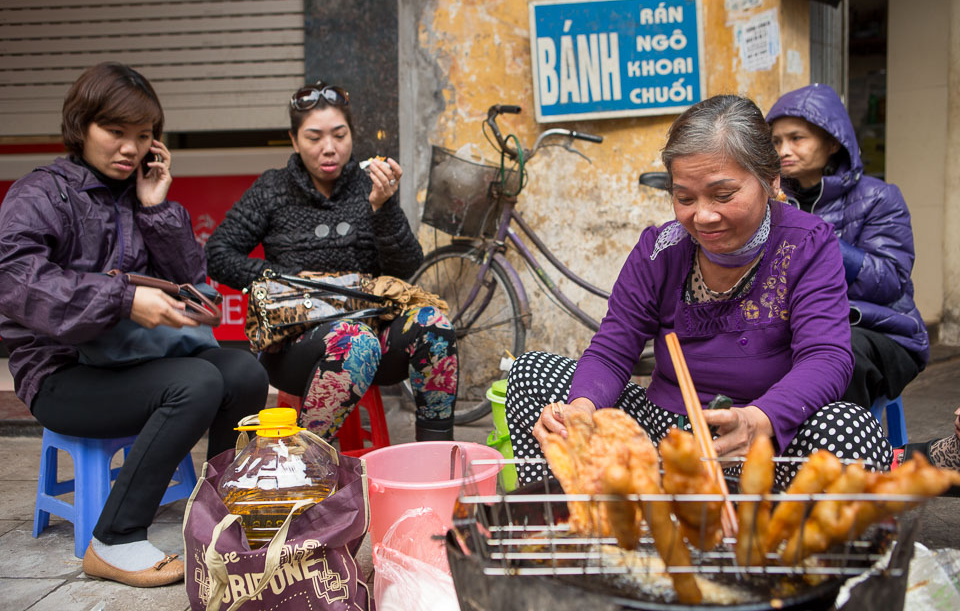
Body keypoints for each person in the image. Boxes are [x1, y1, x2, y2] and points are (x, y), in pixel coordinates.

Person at [505, 95, 891, 488]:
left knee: (851, 430)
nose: (702, 216)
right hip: (663, 440)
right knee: (532, 375)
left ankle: (774, 539)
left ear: (771, 179)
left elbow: (827, 357)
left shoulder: (808, 242)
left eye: (723, 195)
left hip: (767, 440)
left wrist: (760, 419)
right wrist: (582, 409)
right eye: (684, 197)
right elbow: (613, 349)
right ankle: (589, 529)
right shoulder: (661, 249)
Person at [0, 63, 268, 586]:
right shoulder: (40, 195)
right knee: (197, 383)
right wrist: (124, 299)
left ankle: (219, 515)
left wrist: (156, 209)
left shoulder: (140, 198)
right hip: (61, 372)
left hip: (134, 357)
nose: (129, 147)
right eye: (115, 131)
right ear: (82, 127)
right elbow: (15, 282)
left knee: (243, 371)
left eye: (143, 135)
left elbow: (197, 291)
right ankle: (115, 540)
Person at [204, 82, 458, 441]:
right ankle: (304, 462)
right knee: (354, 342)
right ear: (294, 140)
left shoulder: (367, 185)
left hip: (370, 329)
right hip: (294, 345)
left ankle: (436, 459)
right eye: (314, 137)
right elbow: (218, 254)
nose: (329, 148)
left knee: (434, 324)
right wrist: (288, 280)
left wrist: (382, 207)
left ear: (352, 135)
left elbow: (405, 268)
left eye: (339, 135)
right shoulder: (272, 189)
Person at [767, 83, 929, 411]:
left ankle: (837, 454)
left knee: (837, 354)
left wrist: (816, 238)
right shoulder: (771, 203)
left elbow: (889, 281)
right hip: (801, 326)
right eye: (775, 141)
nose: (783, 150)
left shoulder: (880, 197)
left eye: (797, 138)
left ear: (832, 142)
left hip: (878, 330)